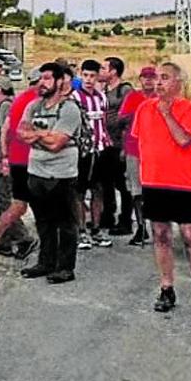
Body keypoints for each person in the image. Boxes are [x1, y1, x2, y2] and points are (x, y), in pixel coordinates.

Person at [130, 62, 191, 317]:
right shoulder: (143, 108)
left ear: (178, 83)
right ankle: (167, 287)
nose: (158, 83)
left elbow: (184, 139)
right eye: (156, 78)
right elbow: (140, 142)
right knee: (161, 235)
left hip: (182, 183)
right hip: (154, 182)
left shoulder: (190, 109)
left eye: (165, 78)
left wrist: (166, 114)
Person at [18, 63, 83, 284]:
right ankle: (45, 261)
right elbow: (21, 133)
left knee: (65, 223)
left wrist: (36, 135)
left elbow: (57, 143)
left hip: (61, 174)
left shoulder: (69, 109)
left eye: (47, 78)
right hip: (36, 171)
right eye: (40, 78)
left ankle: (65, 267)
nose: (42, 83)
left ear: (58, 82)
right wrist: (43, 134)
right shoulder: (34, 106)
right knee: (43, 221)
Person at [0, 76, 36, 259]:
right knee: (3, 200)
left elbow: (6, 133)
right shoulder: (7, 104)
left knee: (3, 199)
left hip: (3, 159)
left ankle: (23, 237)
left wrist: (3, 158)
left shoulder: (5, 106)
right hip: (4, 158)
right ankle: (6, 241)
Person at [116, 66, 159, 246]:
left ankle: (159, 228)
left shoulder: (163, 98)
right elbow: (121, 120)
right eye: (145, 77)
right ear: (140, 79)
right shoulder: (133, 97)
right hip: (134, 149)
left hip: (157, 151)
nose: (148, 80)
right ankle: (141, 227)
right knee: (136, 190)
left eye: (152, 77)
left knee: (157, 191)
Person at [72, 59, 112, 249]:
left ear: (98, 77)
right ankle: (81, 231)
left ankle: (96, 229)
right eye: (85, 75)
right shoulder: (75, 97)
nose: (88, 80)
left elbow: (103, 122)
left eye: (92, 76)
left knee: (98, 190)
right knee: (79, 190)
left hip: (101, 148)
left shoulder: (101, 97)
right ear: (81, 75)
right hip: (83, 151)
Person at [98, 56, 135, 234]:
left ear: (113, 71)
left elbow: (130, 117)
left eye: (104, 68)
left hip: (120, 144)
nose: (100, 71)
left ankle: (126, 220)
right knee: (106, 182)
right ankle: (108, 215)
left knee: (123, 184)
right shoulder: (104, 90)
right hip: (106, 143)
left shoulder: (125, 90)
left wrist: (125, 145)